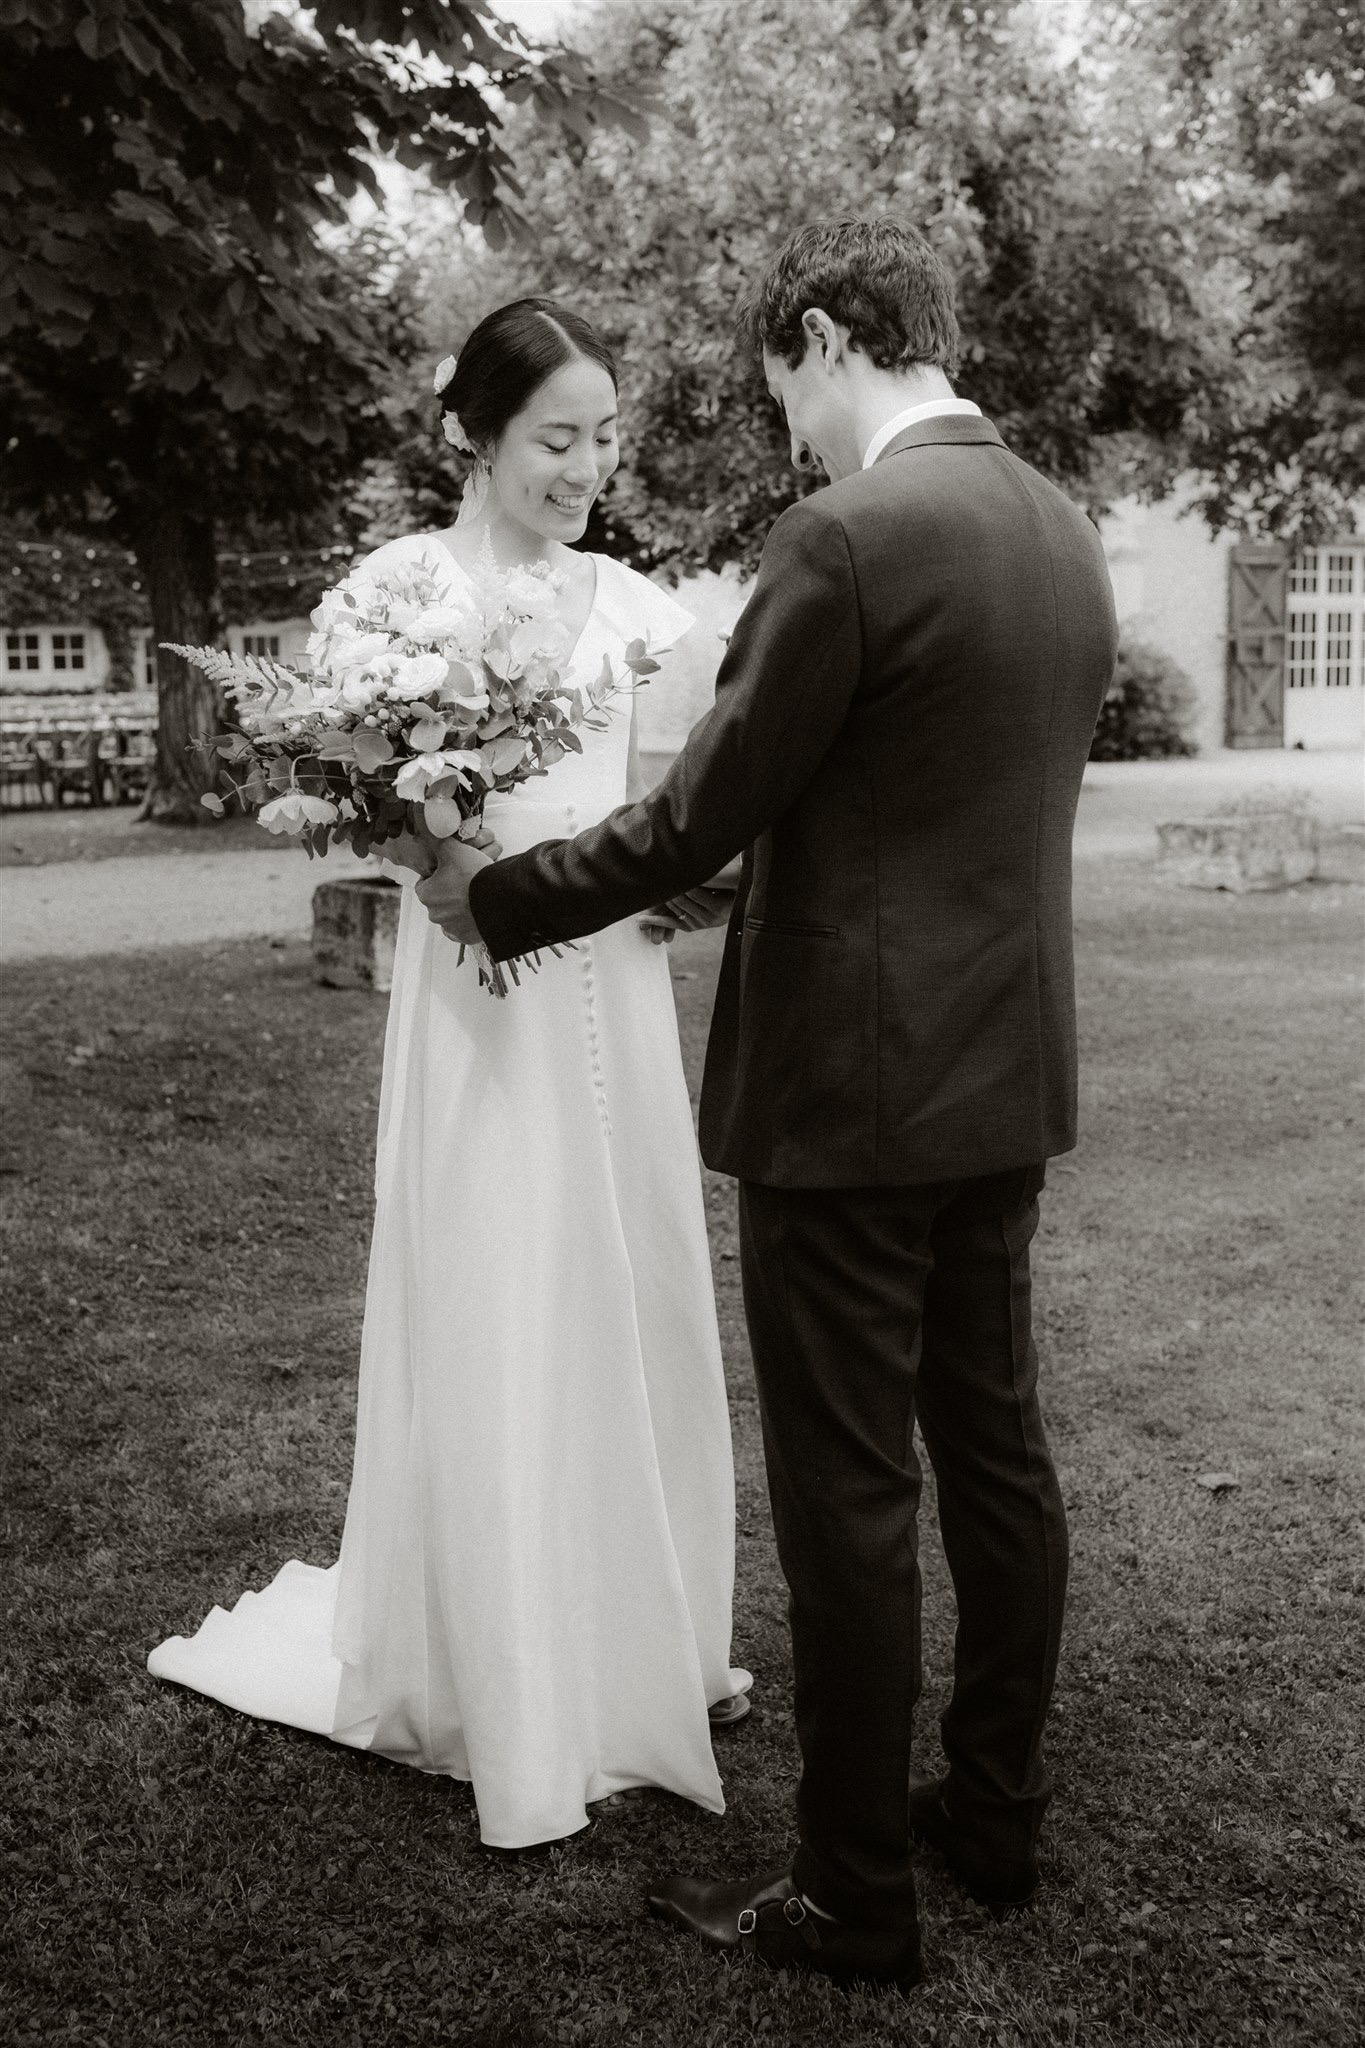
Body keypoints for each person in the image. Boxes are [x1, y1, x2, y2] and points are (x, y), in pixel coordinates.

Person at [416, 219, 1119, 1987]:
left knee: (847, 1492)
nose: (787, 435)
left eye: (783, 393)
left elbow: (697, 820)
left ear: (823, 340)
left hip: (847, 1102)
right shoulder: (1057, 527)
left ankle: (854, 1893)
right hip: (1004, 1077)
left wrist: (495, 898)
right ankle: (992, 1816)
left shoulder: (851, 536)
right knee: (997, 1454)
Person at [148, 298, 750, 1852]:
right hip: (473, 1002)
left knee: (625, 1282)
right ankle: (496, 1673)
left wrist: (674, 892)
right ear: (469, 435)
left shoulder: (641, 612)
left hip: (606, 994)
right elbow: (362, 789)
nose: (586, 468)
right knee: (494, 1280)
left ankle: (648, 1649)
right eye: (557, 437)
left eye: (604, 438)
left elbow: (687, 815)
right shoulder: (389, 595)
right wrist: (438, 852)